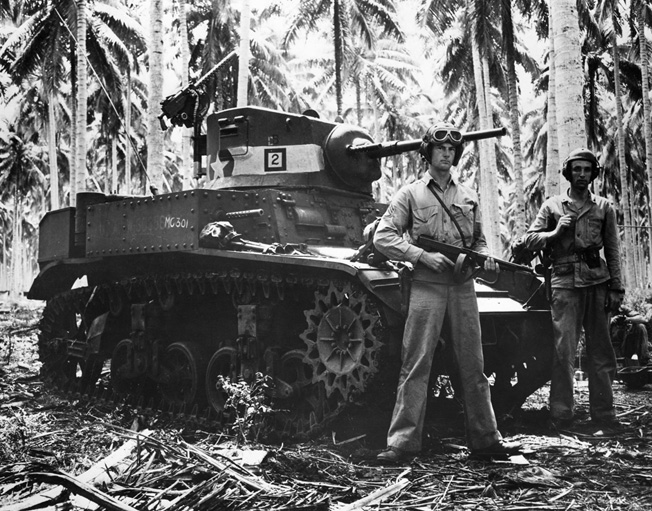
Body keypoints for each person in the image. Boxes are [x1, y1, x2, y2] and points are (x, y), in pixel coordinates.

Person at [373, 122, 519, 463]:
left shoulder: (467, 196)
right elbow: (384, 237)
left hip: (463, 287)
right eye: (440, 148)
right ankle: (403, 443)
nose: (446, 153)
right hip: (427, 286)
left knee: (473, 364)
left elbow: (479, 240)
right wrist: (421, 255)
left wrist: (487, 261)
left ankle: (485, 440)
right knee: (416, 362)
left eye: (452, 149)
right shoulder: (410, 194)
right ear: (428, 152)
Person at [524, 148, 624, 429]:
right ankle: (561, 414)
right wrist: (555, 233)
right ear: (568, 173)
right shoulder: (553, 206)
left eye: (587, 170)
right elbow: (529, 240)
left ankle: (604, 414)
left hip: (597, 283)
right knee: (563, 351)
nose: (582, 175)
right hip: (564, 284)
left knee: (601, 351)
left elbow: (613, 251)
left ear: (593, 174)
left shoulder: (604, 208)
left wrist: (616, 288)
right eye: (577, 169)